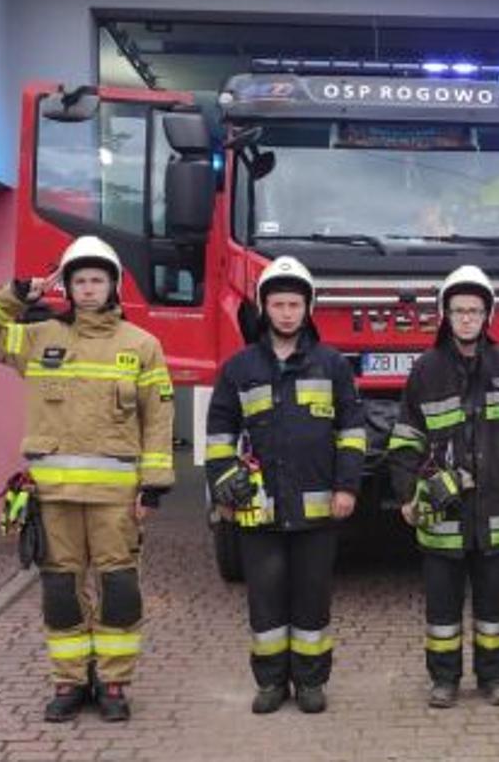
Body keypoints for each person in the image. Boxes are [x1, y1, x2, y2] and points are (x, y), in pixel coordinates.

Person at [0, 236, 175, 723]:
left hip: (115, 500)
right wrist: (17, 295)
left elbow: (159, 419)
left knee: (119, 590)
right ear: (68, 288)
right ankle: (70, 681)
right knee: (60, 591)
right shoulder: (38, 338)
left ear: (113, 286)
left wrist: (154, 486)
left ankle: (114, 682)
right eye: (80, 280)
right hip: (54, 498)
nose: (89, 288)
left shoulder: (141, 346)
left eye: (98, 279)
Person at [204, 256, 364, 715]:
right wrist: (224, 484)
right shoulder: (239, 368)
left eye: (295, 303)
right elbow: (219, 434)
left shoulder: (332, 365)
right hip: (259, 511)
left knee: (312, 602)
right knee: (266, 603)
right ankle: (271, 684)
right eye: (279, 304)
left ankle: (311, 684)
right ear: (265, 308)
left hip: (317, 513)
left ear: (307, 308)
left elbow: (353, 431)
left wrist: (347, 488)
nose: (287, 313)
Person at [387, 265, 499, 708]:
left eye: (475, 310)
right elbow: (404, 443)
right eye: (459, 311)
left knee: (494, 608)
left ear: (487, 315)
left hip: (494, 511)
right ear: (446, 316)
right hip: (444, 517)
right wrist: (407, 496)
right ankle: (444, 680)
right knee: (442, 610)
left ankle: (494, 679)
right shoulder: (426, 370)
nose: (468, 318)